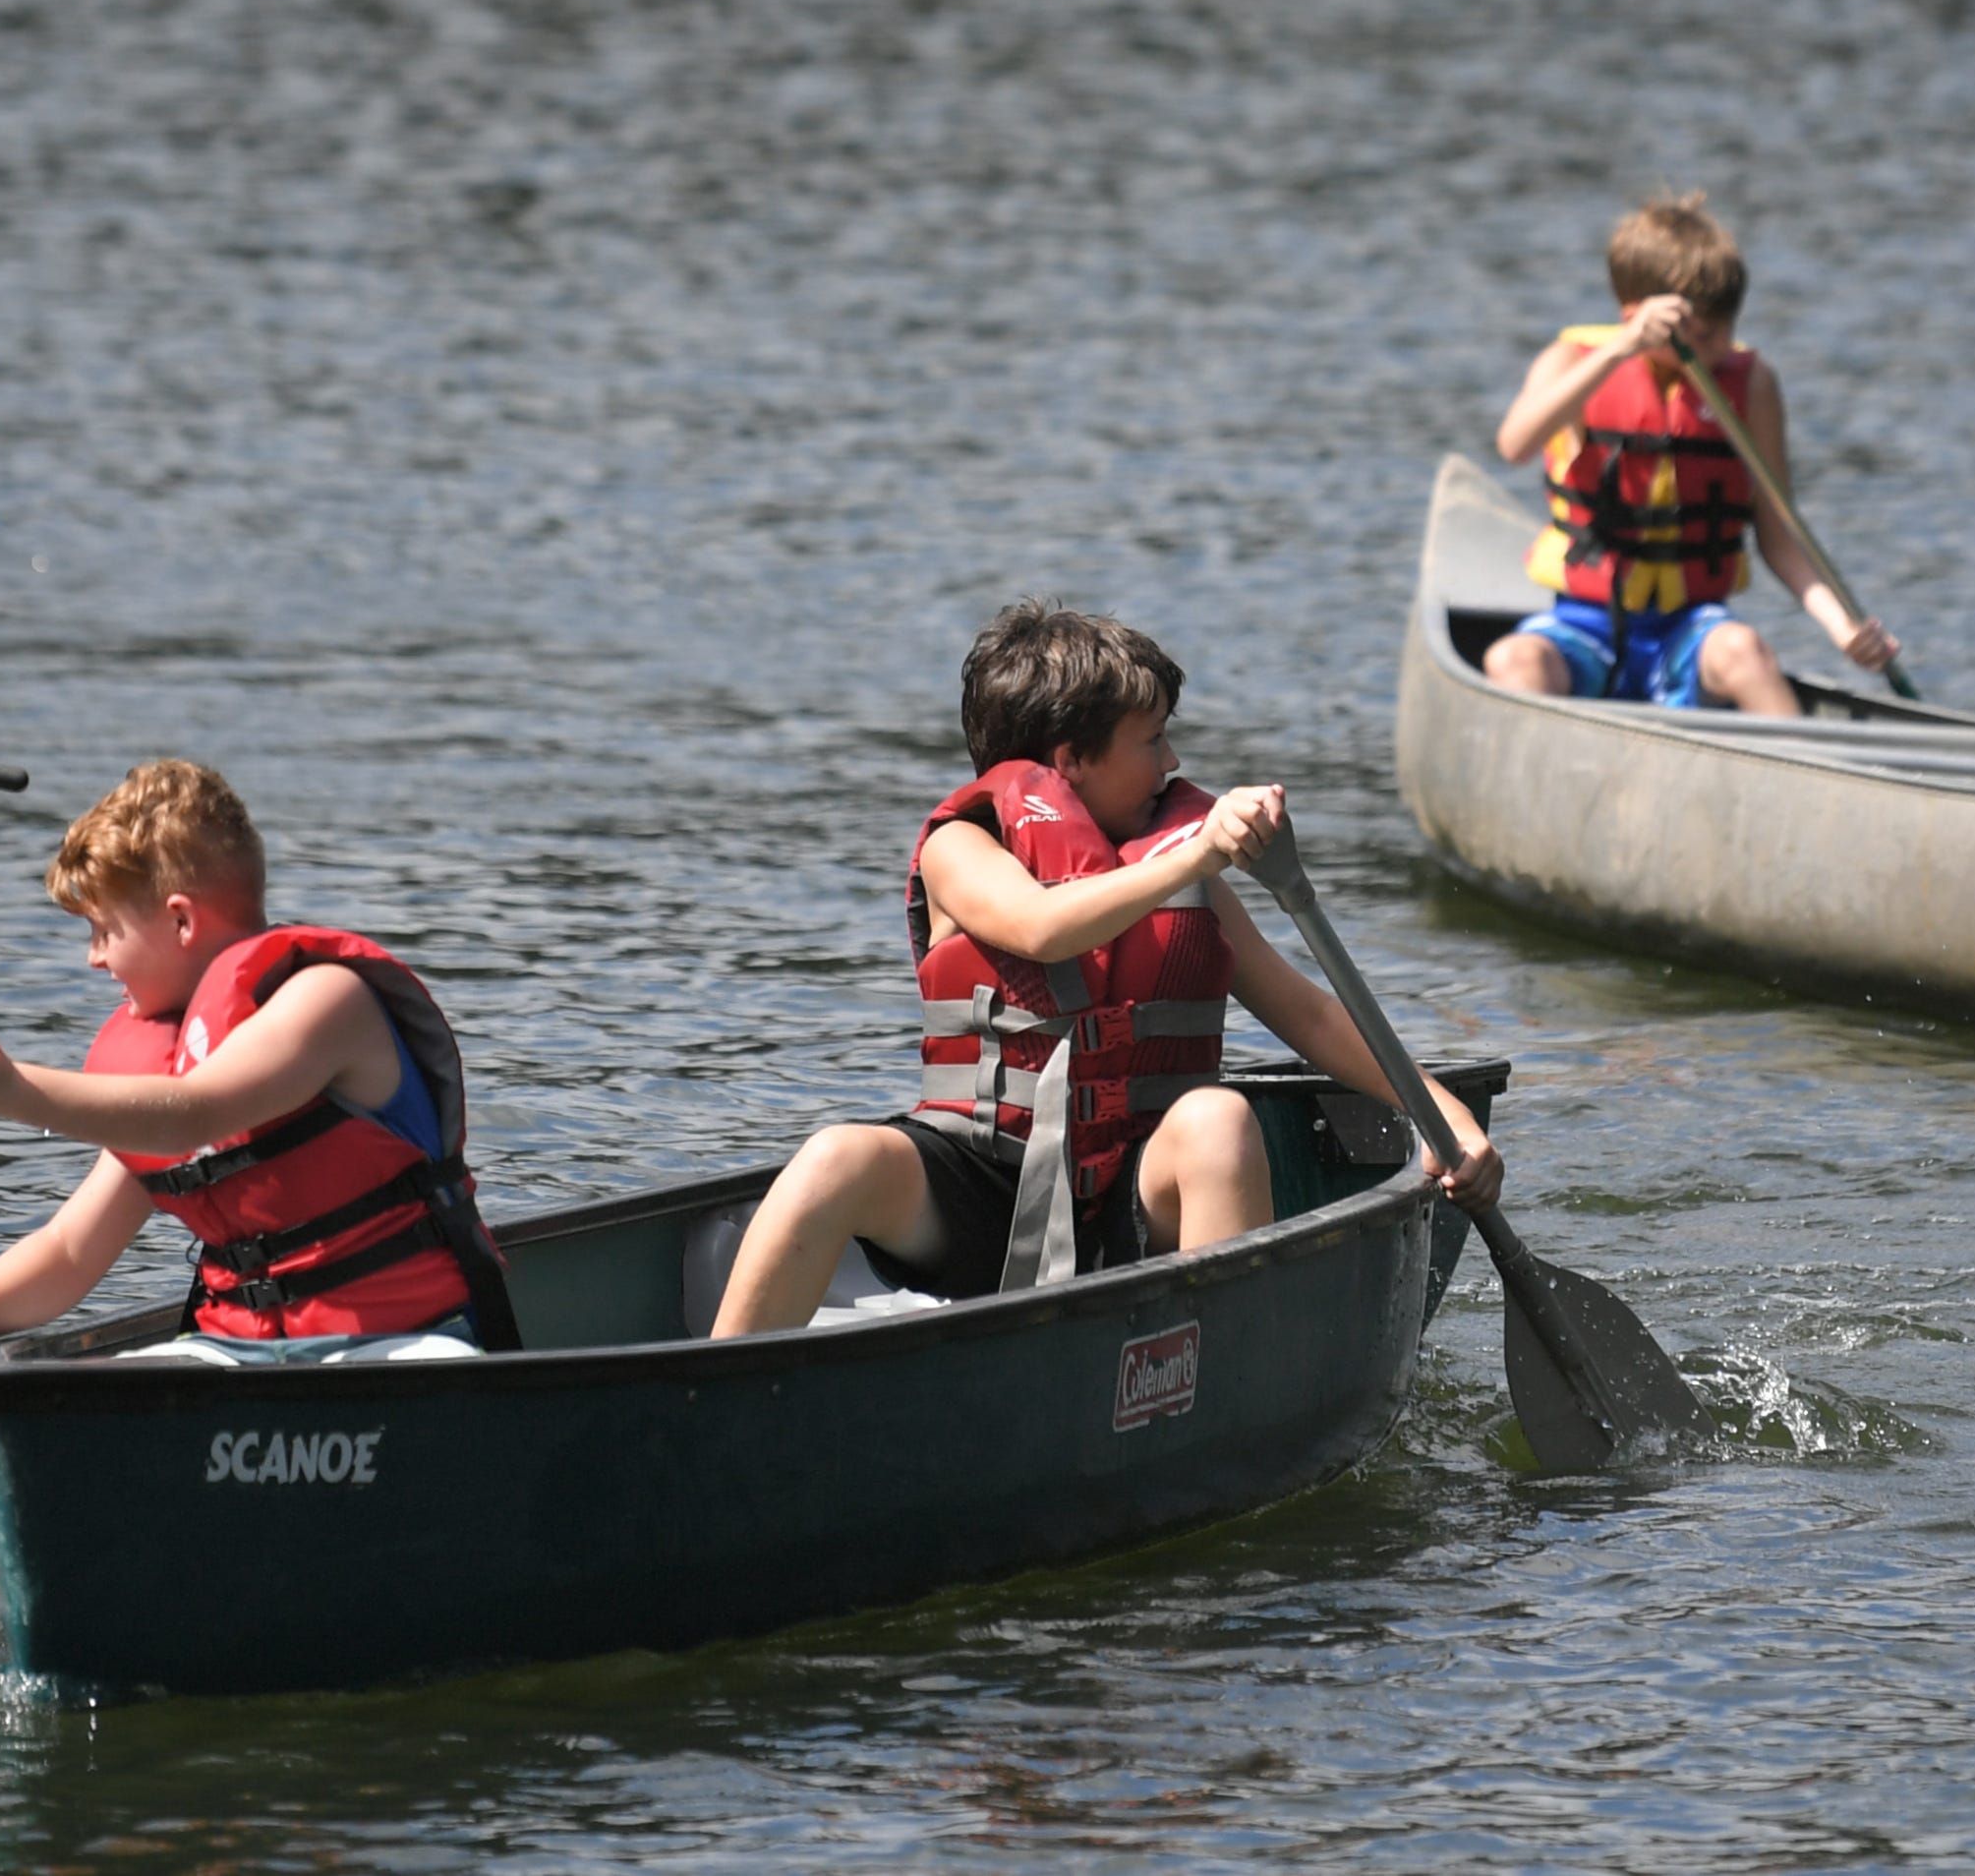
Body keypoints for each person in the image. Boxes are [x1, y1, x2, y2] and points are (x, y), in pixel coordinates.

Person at [710, 603, 1499, 1334]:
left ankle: (1221, 1381)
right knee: (836, 1156)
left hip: (1132, 1190)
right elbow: (1043, 927)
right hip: (984, 1183)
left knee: (1219, 1120)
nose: (1173, 759)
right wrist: (1199, 850)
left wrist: (1448, 1121)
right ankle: (720, 1391)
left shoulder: (1183, 876)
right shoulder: (965, 847)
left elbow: (1311, 1013)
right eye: (1151, 739)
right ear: (1070, 759)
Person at [0, 759, 514, 1385]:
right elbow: (70, 1252)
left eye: (105, 930)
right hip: (239, 1355)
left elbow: (195, 1114)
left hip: (403, 1346)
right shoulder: (167, 1066)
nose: (94, 958)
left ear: (182, 920)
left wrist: (7, 1087)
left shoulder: (324, 1002)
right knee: (81, 1395)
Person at [1483, 191, 1898, 718]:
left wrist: (1843, 629)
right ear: (1637, 316)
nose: (1720, 347)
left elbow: (1779, 533)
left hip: (1688, 628)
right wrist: (1619, 349)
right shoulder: (1573, 361)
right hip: (1584, 625)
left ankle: (1806, 780)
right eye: (1701, 335)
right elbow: (1514, 444)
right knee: (1512, 661)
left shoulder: (1752, 385)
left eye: (1727, 328)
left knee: (1745, 652)